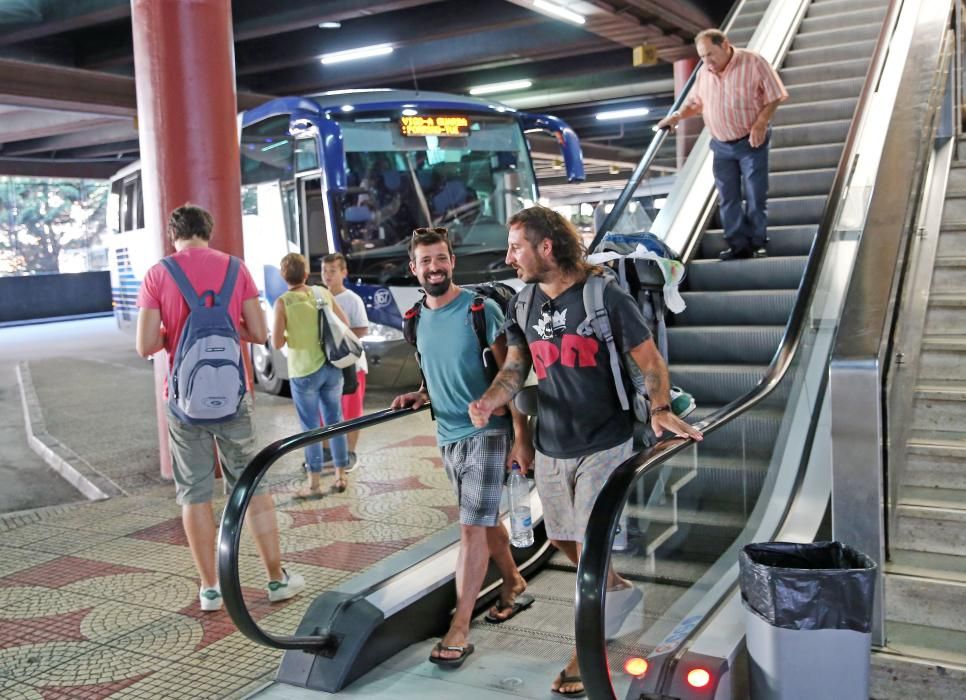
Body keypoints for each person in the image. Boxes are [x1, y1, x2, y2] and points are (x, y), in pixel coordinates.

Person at [468, 206, 703, 696]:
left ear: (545, 247)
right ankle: (615, 590)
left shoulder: (604, 296)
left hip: (604, 441)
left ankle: (585, 652)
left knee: (590, 545)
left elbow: (650, 360)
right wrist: (494, 403)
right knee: (560, 540)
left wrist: (659, 408)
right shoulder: (523, 302)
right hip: (553, 442)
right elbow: (516, 367)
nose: (509, 258)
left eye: (516, 247)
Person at [136, 204, 304, 612]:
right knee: (251, 484)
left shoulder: (159, 274)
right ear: (208, 232)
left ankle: (210, 588)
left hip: (182, 401)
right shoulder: (236, 268)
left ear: (173, 235)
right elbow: (260, 333)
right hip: (233, 397)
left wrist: (171, 332)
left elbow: (145, 346)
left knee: (194, 493)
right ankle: (276, 578)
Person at [391, 227, 534, 669]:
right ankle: (513, 583)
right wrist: (422, 393)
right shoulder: (414, 318)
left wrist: (520, 437)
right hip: (448, 434)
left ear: (452, 261)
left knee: (471, 526)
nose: (434, 267)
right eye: (425, 261)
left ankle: (460, 627)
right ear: (413, 269)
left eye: (441, 259)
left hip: (488, 432)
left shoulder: (481, 309)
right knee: (484, 520)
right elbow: (435, 368)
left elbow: (510, 371)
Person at [657, 28, 788, 261]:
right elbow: (696, 103)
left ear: (725, 44)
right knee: (728, 197)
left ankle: (757, 242)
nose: (707, 61)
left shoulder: (753, 62)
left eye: (710, 54)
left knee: (755, 194)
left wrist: (761, 122)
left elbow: (775, 94)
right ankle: (738, 245)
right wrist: (676, 117)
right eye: (702, 57)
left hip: (750, 142)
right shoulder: (704, 73)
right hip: (721, 146)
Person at [272, 252, 352, 496]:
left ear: (283, 276)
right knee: (335, 421)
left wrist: (292, 334)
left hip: (304, 371)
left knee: (310, 427)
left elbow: (276, 342)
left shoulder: (283, 302)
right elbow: (345, 322)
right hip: (331, 366)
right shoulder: (322, 293)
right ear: (306, 274)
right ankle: (340, 476)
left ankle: (314, 483)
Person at [321, 253, 368, 469]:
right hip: (326, 364)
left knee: (351, 411)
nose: (327, 275)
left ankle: (350, 453)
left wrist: (339, 337)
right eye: (324, 271)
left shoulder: (352, 300)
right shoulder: (318, 297)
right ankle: (327, 452)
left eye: (332, 271)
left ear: (343, 272)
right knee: (326, 409)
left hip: (351, 364)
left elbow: (362, 329)